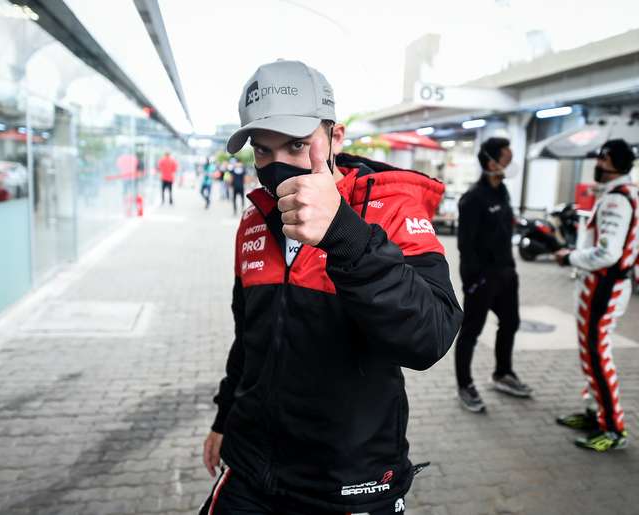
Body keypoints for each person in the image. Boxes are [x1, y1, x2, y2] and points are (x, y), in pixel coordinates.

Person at [199, 60, 462, 515]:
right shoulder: (255, 219)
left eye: (297, 144)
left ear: (335, 138)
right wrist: (224, 419)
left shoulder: (391, 208)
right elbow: (250, 337)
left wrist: (344, 233)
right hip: (250, 467)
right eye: (263, 151)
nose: (278, 165)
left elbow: (431, 336)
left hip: (349, 481)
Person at [554, 139, 639, 452]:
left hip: (605, 287)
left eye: (602, 158)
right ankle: (595, 413)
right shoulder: (617, 194)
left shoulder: (618, 199)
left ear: (612, 162)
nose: (598, 164)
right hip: (600, 286)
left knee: (597, 354)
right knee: (591, 353)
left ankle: (614, 429)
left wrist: (570, 257)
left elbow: (607, 253)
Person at [454, 137, 532, 414]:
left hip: (507, 275)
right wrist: (473, 281)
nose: (511, 166)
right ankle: (465, 385)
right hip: (482, 279)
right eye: (507, 160)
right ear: (491, 162)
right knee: (471, 332)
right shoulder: (473, 199)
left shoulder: (504, 193)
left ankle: (503, 373)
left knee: (510, 323)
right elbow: (465, 245)